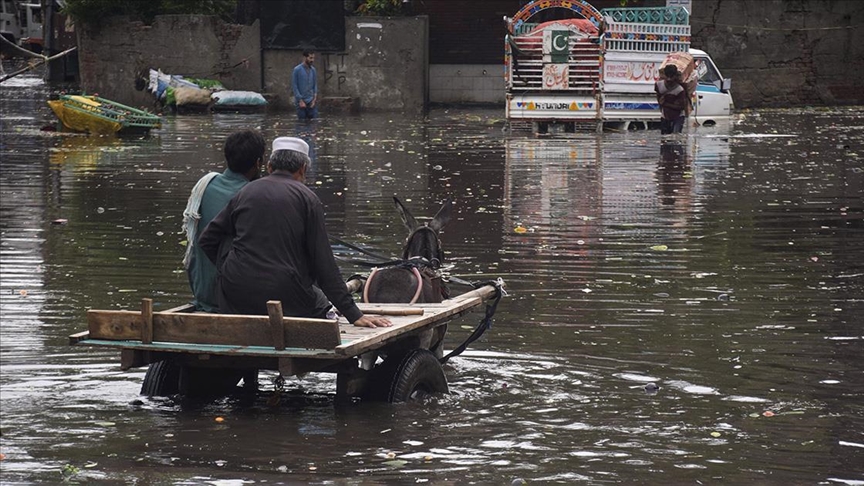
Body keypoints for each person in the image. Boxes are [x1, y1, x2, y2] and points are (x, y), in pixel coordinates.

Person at [198, 136, 391, 328]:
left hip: (235, 293)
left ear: (270, 167)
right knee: (322, 306)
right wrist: (353, 313)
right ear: (303, 169)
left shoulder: (245, 192)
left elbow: (207, 239)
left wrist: (229, 269)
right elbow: (324, 266)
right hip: (286, 294)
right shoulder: (307, 198)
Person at [183, 129, 265, 312]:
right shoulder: (254, 195)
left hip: (203, 293)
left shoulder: (206, 185)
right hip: (233, 299)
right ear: (258, 163)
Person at [655, 64, 689, 135]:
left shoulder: (680, 90)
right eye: (667, 76)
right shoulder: (659, 85)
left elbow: (681, 107)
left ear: (675, 76)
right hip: (665, 116)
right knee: (665, 139)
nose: (669, 79)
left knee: (675, 137)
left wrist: (665, 104)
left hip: (678, 117)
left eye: (671, 77)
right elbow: (659, 98)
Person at [292, 51, 318, 120]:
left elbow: (315, 85)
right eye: (310, 58)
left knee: (313, 123)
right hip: (301, 101)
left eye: (313, 58)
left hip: (311, 101)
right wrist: (300, 100)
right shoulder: (297, 70)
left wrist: (314, 99)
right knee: (302, 124)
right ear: (305, 58)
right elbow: (295, 86)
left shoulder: (313, 70)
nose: (312, 60)